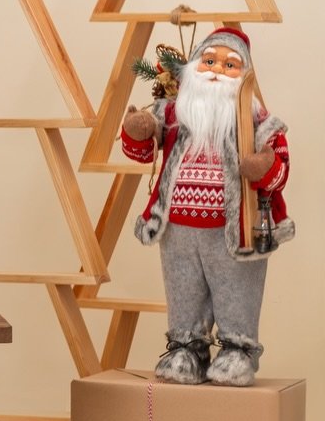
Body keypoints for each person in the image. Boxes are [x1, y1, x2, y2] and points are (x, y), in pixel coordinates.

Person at [120, 28, 291, 387]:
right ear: (194, 67)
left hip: (234, 231)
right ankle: (186, 350)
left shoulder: (259, 123)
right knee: (184, 293)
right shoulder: (172, 114)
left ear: (244, 75)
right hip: (177, 232)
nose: (216, 71)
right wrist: (137, 130)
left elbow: (279, 174)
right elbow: (141, 152)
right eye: (209, 61)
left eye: (229, 65)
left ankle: (237, 352)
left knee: (237, 293)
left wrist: (264, 166)